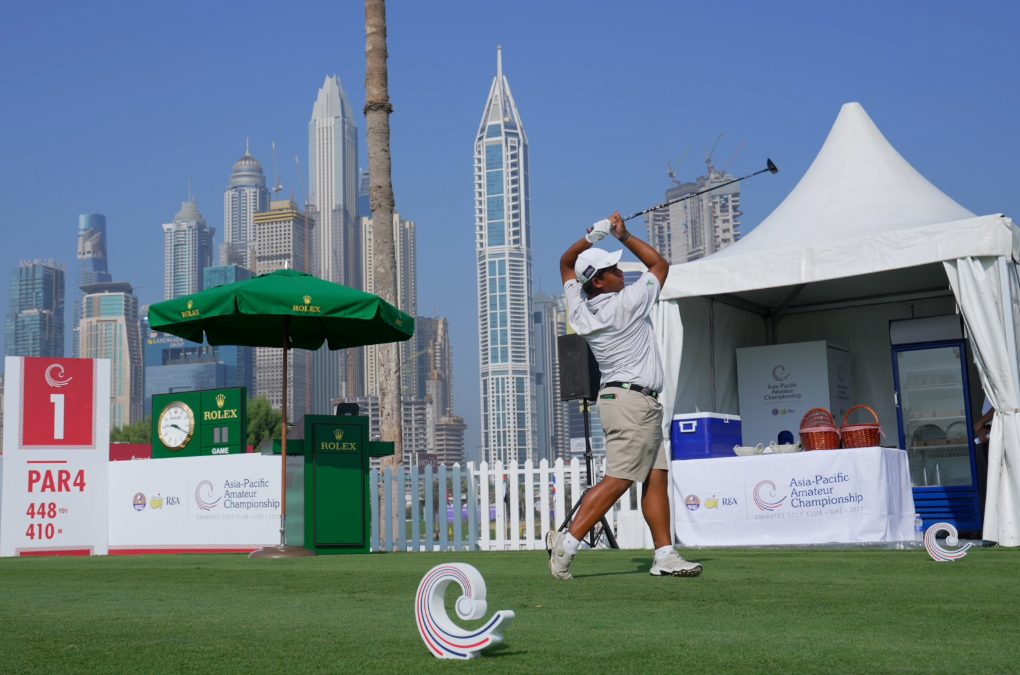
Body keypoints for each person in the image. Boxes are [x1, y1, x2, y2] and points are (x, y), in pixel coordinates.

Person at [545, 211, 703, 580]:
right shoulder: (626, 304)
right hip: (633, 403)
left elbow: (565, 263)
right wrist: (621, 234)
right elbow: (659, 264)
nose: (621, 273)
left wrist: (591, 240)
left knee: (656, 477)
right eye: (614, 270)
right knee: (618, 480)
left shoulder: (580, 307)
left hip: (628, 402)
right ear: (598, 282)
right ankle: (567, 544)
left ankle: (664, 555)